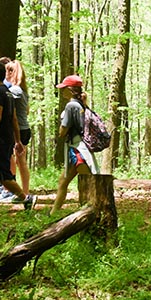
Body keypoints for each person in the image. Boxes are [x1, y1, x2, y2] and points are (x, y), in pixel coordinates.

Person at [0, 62, 36, 213]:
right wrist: (17, 140)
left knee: (4, 175)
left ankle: (26, 198)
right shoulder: (9, 93)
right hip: (7, 138)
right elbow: (14, 119)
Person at [51, 74, 99, 215]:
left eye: (64, 88)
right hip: (78, 148)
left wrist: (61, 129)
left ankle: (91, 213)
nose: (62, 91)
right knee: (63, 182)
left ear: (71, 90)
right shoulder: (81, 105)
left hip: (78, 150)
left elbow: (63, 130)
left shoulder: (71, 106)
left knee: (88, 183)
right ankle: (53, 213)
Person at [0, 59, 31, 199]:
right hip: (23, 128)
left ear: (12, 72)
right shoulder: (21, 89)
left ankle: (18, 192)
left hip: (19, 130)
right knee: (18, 161)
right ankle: (16, 191)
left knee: (16, 161)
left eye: (7, 71)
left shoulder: (14, 90)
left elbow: (9, 111)